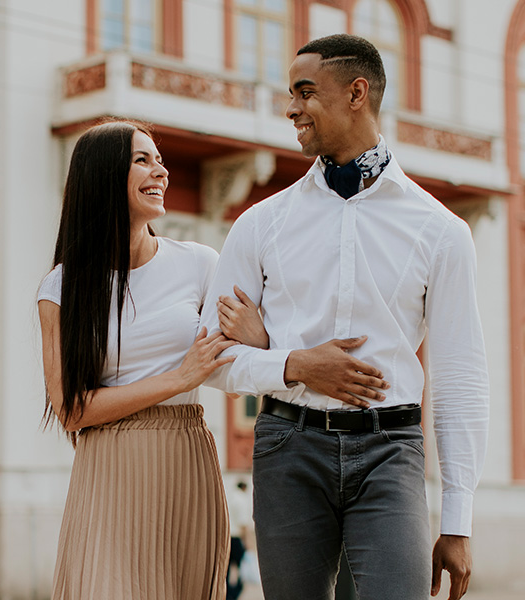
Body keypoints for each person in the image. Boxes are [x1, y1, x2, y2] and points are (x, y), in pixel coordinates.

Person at [203, 34, 490, 600]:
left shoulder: (441, 231)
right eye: (291, 94)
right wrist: (294, 364)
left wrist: (457, 519)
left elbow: (460, 377)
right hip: (289, 447)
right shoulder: (260, 225)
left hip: (392, 450)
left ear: (357, 93)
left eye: (305, 92)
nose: (291, 108)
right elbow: (211, 358)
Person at [37, 120, 267, 600]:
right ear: (103, 176)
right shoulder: (62, 286)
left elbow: (240, 363)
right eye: (142, 160)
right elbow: (72, 409)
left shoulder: (201, 263)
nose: (159, 171)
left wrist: (259, 337)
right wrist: (179, 376)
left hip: (186, 459)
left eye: (158, 159)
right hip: (108, 470)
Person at [226, 480, 254, 600]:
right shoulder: (241, 500)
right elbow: (243, 524)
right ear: (244, 488)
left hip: (227, 538)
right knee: (241, 568)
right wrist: (247, 542)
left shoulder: (230, 497)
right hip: (237, 538)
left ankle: (227, 593)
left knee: (226, 569)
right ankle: (235, 593)